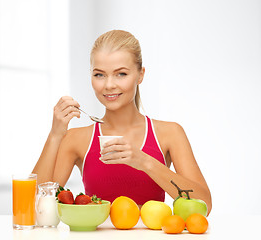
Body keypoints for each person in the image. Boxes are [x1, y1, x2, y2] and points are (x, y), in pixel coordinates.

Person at [32, 30, 212, 213]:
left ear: (140, 75)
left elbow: (204, 204)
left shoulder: (170, 133)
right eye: (99, 75)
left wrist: (144, 162)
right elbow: (36, 207)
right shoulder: (76, 139)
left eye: (121, 74)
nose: (109, 85)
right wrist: (55, 134)